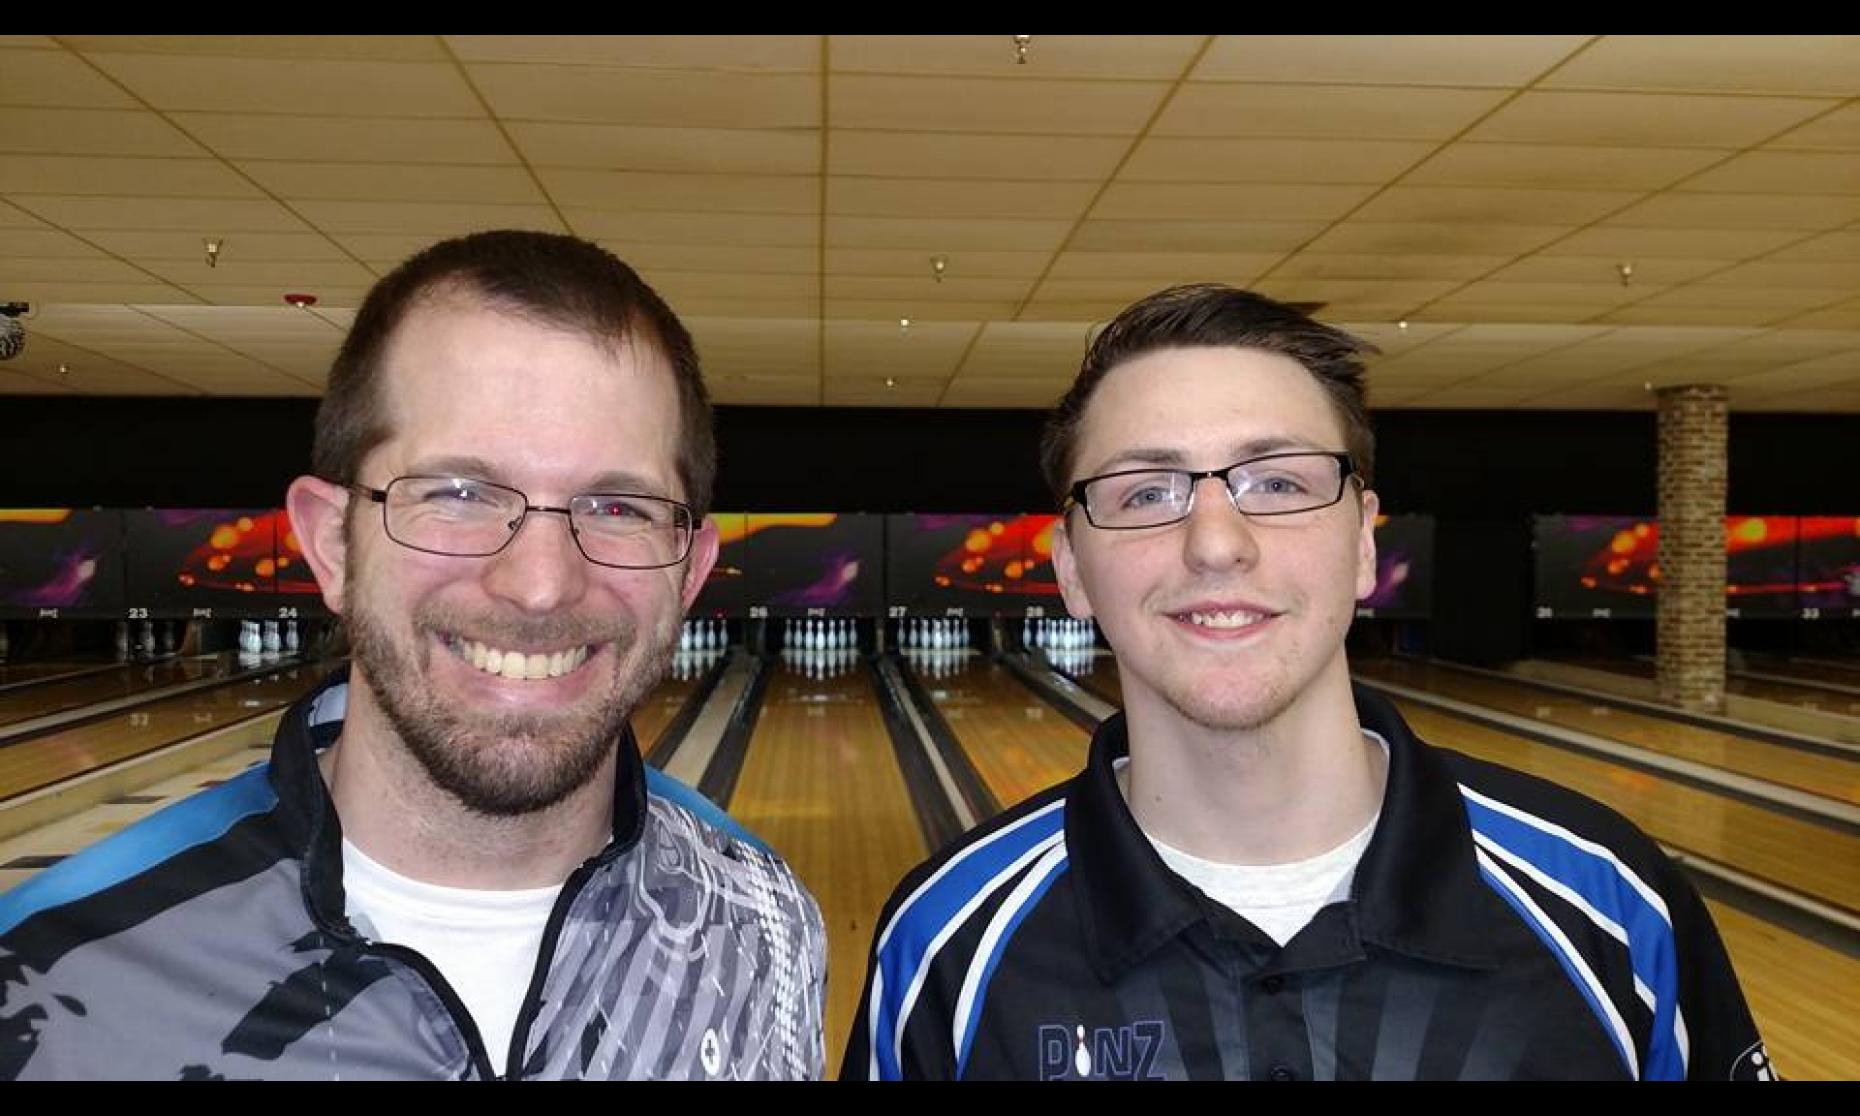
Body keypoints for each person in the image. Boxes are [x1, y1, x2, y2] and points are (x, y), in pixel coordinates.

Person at [843, 284, 1769, 1081]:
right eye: (1145, 492)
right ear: (1071, 568)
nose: (1215, 541)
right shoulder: (947, 941)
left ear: (1366, 540)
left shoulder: (1610, 902)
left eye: (1278, 483)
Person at [0, 231, 825, 1080]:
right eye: (459, 494)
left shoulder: (763, 922)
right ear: (331, 544)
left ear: (690, 570)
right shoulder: (45, 989)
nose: (539, 585)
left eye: (618, 507)